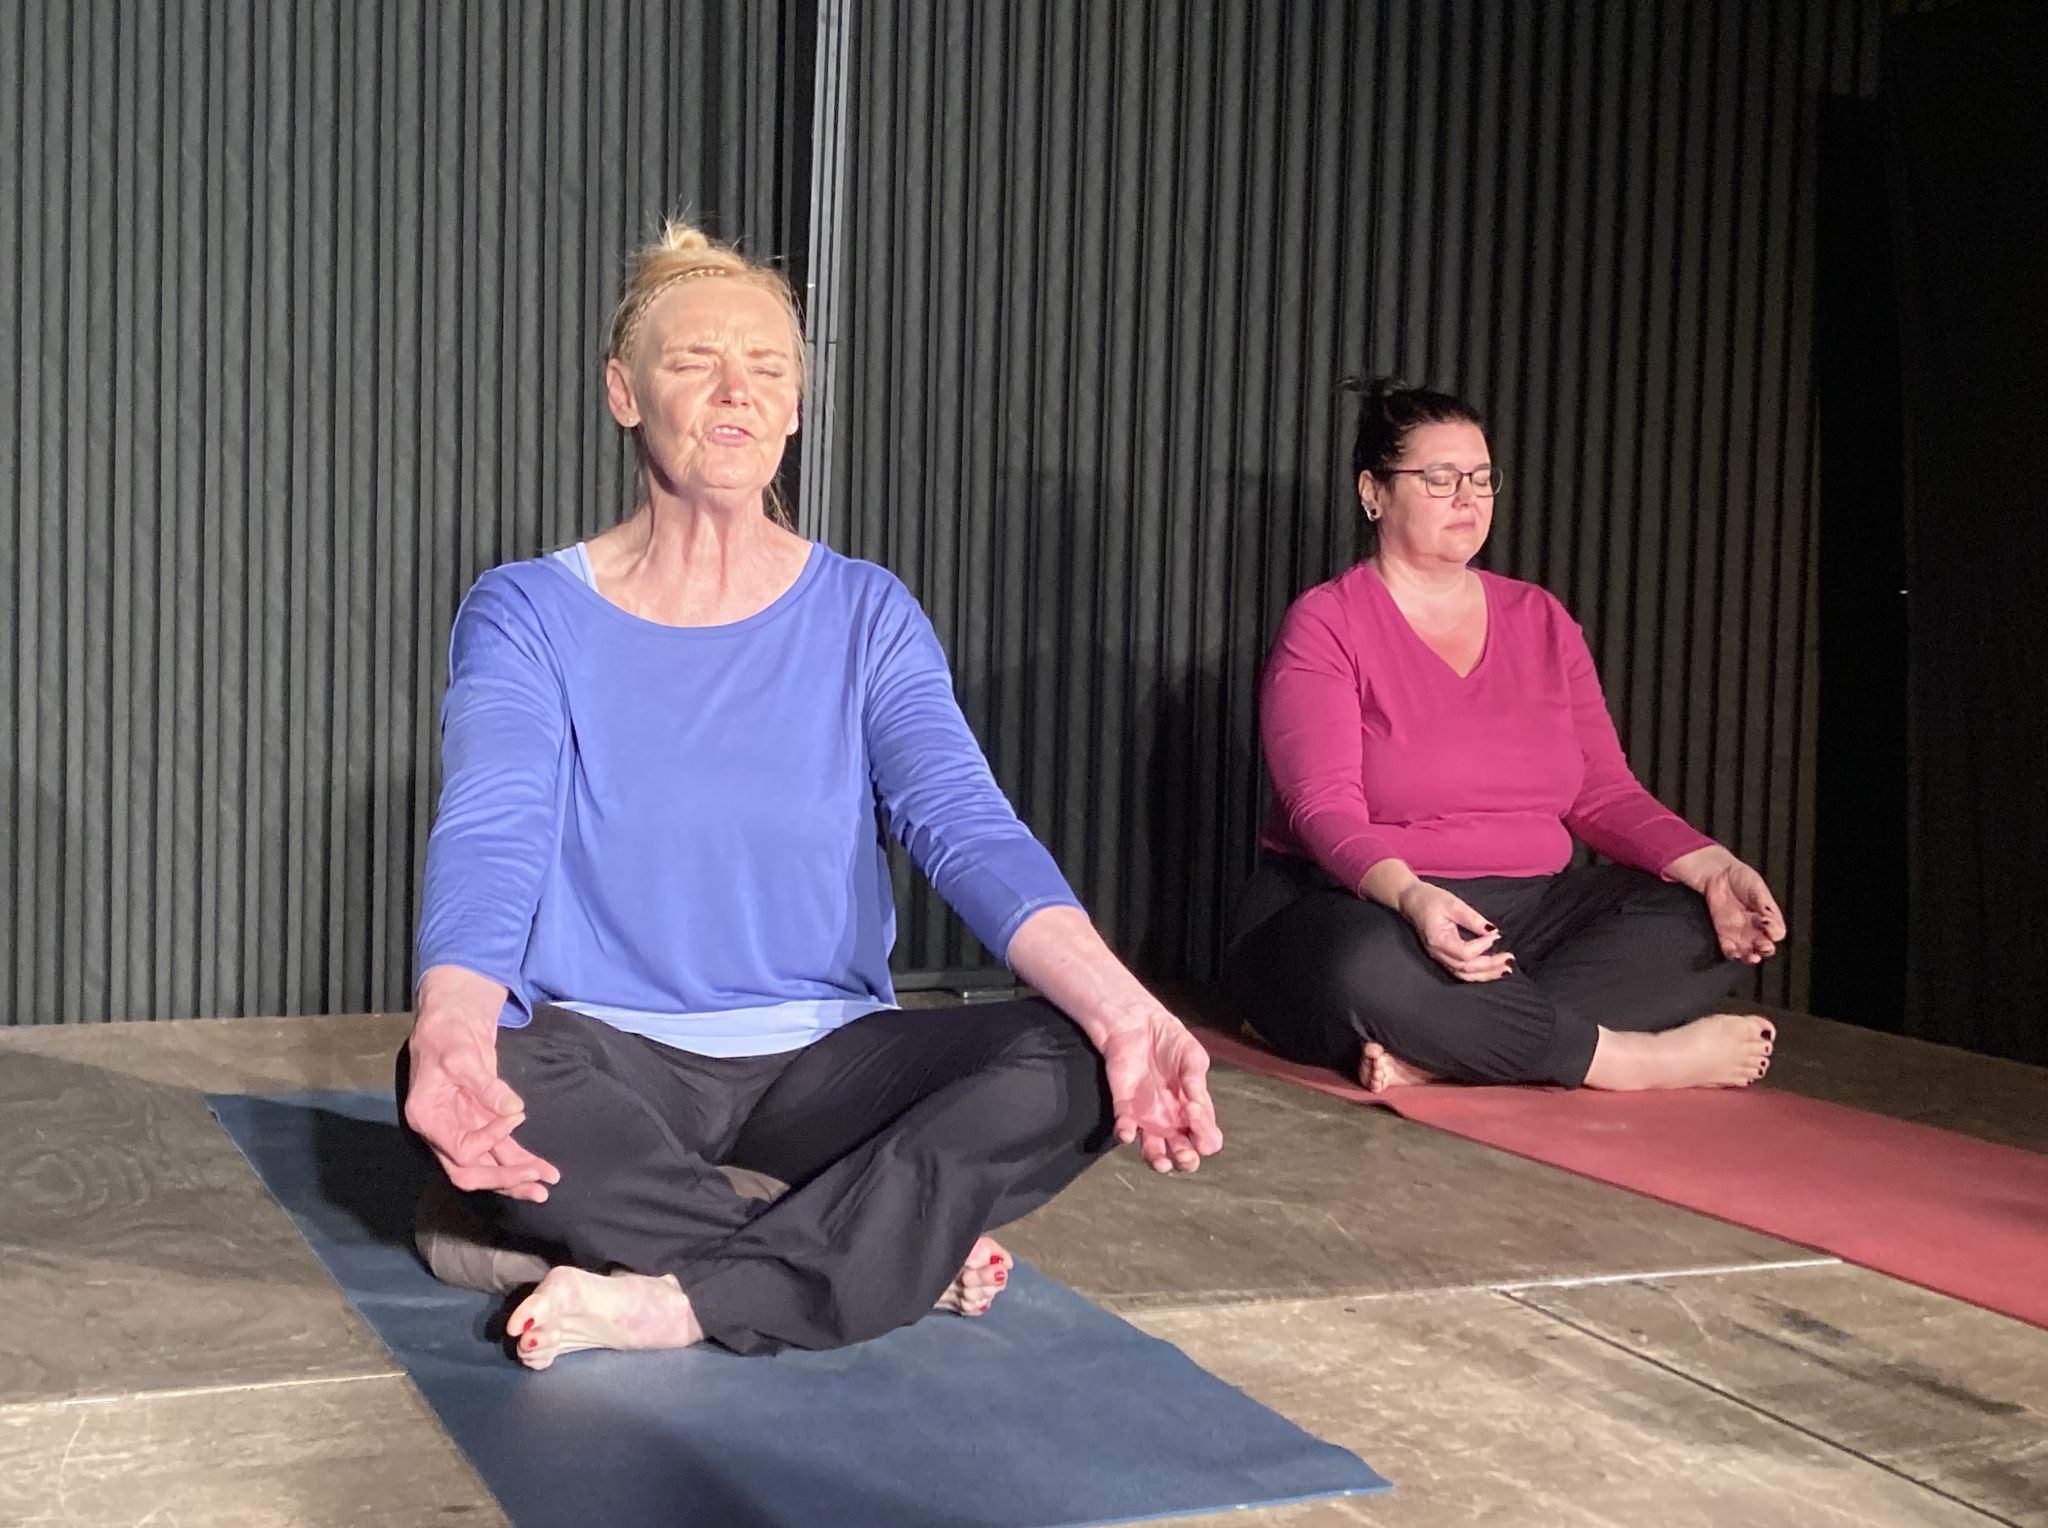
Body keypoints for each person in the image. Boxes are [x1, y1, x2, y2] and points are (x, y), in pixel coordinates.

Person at [401, 221, 1221, 1368]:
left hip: (827, 1062)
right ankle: (869, 1256)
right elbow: (493, 823)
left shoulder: (864, 611)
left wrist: (1128, 1011)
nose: (735, 391)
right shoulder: (528, 610)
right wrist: (449, 1025)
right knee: (485, 1067)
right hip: (609, 1055)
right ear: (621, 391)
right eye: (694, 362)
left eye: (770, 369)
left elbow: (962, 821)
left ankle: (672, 1291)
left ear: (793, 411)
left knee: (1080, 1055)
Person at [1223, 378, 1786, 1095]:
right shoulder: (1327, 623)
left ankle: (1440, 1053)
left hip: (1519, 921)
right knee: (1360, 966)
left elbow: (1603, 791)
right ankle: (1626, 1061)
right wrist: (1414, 899)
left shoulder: (1540, 619)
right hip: (1367, 907)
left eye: (1483, 478)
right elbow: (1322, 809)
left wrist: (1710, 866)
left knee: (1706, 922)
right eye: (1440, 478)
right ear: (1373, 492)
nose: (1469, 497)